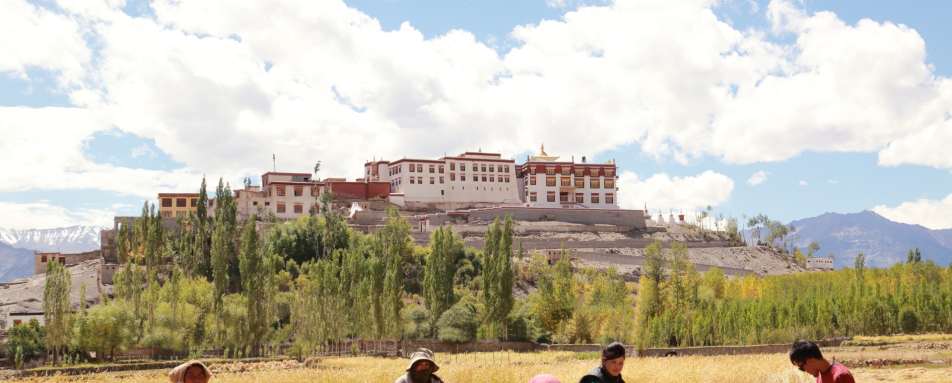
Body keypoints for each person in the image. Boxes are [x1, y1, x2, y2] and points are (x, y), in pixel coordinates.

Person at [789, 340, 855, 383]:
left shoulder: (841, 376)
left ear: (810, 360)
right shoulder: (820, 376)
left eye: (802, 368)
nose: (804, 371)